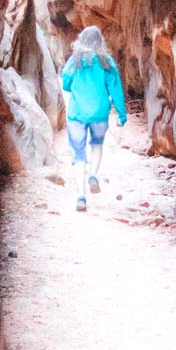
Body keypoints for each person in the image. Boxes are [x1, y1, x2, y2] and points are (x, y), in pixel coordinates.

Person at [61, 25, 127, 212]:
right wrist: (121, 114)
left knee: (78, 155)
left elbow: (66, 83)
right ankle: (93, 175)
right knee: (97, 145)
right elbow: (116, 90)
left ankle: (81, 197)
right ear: (100, 42)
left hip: (77, 114)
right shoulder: (107, 62)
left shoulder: (75, 61)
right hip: (99, 113)